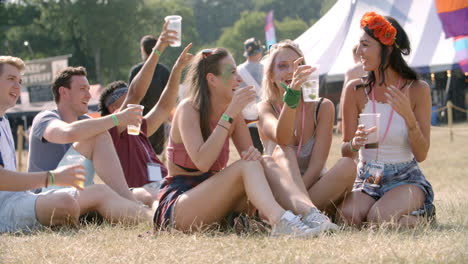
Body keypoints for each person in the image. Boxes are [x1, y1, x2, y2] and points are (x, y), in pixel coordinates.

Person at [153, 47, 339, 237]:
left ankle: (310, 214)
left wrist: (255, 154)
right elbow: (203, 161)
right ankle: (281, 221)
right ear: (212, 79)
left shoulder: (233, 112)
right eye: (232, 72)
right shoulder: (189, 109)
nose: (239, 79)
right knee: (246, 166)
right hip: (180, 206)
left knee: (265, 161)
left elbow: (251, 157)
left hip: (215, 200)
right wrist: (230, 115)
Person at [0, 56, 151, 233]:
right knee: (77, 199)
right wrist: (52, 177)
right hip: (27, 199)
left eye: (20, 81)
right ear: (64, 93)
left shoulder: (4, 121)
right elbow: (68, 133)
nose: (18, 87)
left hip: (26, 198)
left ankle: (147, 213)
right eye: (11, 79)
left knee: (124, 190)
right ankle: (154, 218)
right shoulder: (45, 117)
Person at [339, 12, 435, 227]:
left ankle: (422, 216)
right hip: (369, 178)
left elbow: (421, 154)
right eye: (359, 45)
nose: (359, 52)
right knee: (348, 217)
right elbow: (346, 152)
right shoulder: (354, 90)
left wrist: (409, 118)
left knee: (378, 218)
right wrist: (354, 143)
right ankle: (403, 219)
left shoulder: (418, 89)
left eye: (365, 45)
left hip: (405, 177)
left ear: (388, 48)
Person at [257, 40, 356, 217]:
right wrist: (292, 95)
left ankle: (303, 214)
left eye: (297, 65)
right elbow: (283, 138)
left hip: (313, 187)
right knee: (283, 149)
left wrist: (301, 198)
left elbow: (317, 164)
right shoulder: (265, 108)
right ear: (271, 75)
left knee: (347, 165)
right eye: (282, 66)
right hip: (280, 192)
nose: (291, 71)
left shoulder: (322, 107)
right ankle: (309, 214)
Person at [99, 24, 191, 207]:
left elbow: (165, 106)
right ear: (113, 109)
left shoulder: (138, 128)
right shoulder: (113, 131)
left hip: (167, 185)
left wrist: (177, 69)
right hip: (148, 192)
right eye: (124, 101)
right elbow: (135, 93)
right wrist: (158, 50)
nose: (135, 104)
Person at [129, 34, 171, 155]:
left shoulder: (136, 71)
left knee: (140, 153)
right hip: (158, 120)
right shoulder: (164, 71)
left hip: (139, 120)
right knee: (156, 155)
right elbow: (170, 98)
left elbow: (131, 99)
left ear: (143, 50)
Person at [237, 38, 265, 153]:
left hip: (246, 117)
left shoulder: (238, 71)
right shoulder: (266, 69)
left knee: (252, 154)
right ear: (258, 52)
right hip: (264, 114)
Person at [336, 45, 365, 134]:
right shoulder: (375, 68)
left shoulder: (352, 71)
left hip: (354, 111)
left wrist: (340, 119)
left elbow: (344, 95)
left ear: (355, 55)